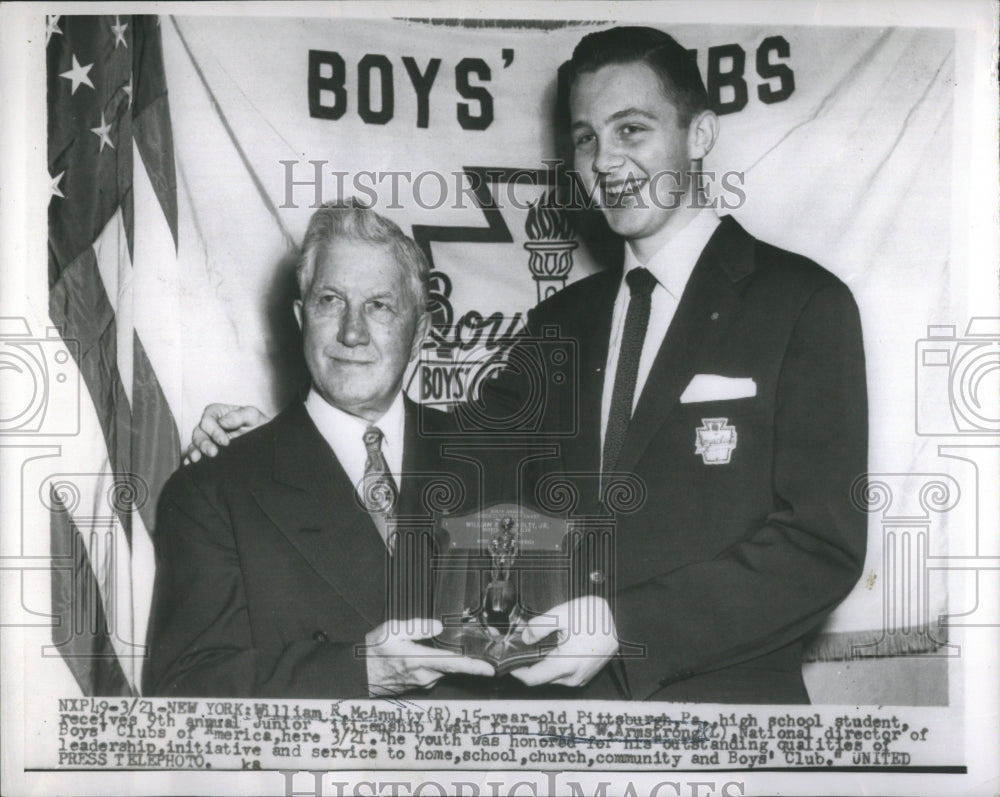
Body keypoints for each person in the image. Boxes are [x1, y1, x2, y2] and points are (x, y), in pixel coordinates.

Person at [187, 26, 868, 703]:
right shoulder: (562, 323)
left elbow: (820, 547)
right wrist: (276, 453)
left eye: (632, 130)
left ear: (699, 135)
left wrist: (628, 628)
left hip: (730, 719)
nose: (606, 160)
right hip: (562, 728)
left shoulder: (803, 304)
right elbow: (447, 453)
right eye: (585, 137)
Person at [143, 201, 496, 697]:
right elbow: (184, 689)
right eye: (331, 300)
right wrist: (359, 673)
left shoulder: (494, 465)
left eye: (379, 305)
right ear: (300, 317)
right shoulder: (213, 488)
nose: (352, 332)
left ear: (419, 334)